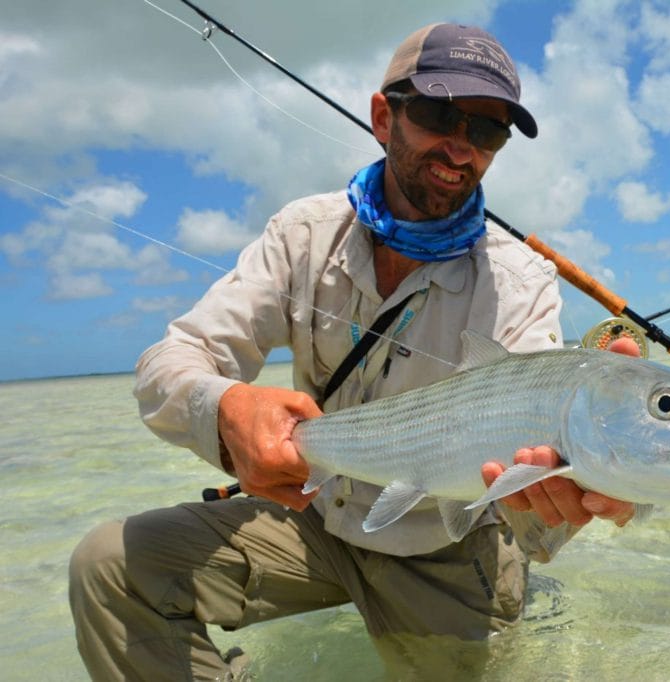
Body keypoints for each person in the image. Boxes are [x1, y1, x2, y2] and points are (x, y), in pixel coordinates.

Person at [69, 22, 637, 681]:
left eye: (486, 131)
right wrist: (227, 410)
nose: (461, 147)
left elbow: (534, 456)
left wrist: (573, 489)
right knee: (110, 564)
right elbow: (169, 363)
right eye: (436, 113)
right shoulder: (302, 234)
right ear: (382, 115)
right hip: (316, 516)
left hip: (443, 544)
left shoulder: (519, 284)